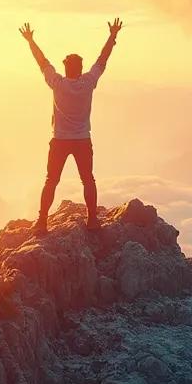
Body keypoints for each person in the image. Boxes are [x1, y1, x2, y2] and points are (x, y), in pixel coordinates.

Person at [20, 17, 122, 234]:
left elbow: (42, 62)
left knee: (51, 181)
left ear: (66, 68)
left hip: (59, 140)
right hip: (82, 139)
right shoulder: (88, 83)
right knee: (88, 179)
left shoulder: (57, 83)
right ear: (81, 68)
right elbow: (102, 60)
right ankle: (92, 220)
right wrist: (112, 35)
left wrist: (30, 41)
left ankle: (42, 222)